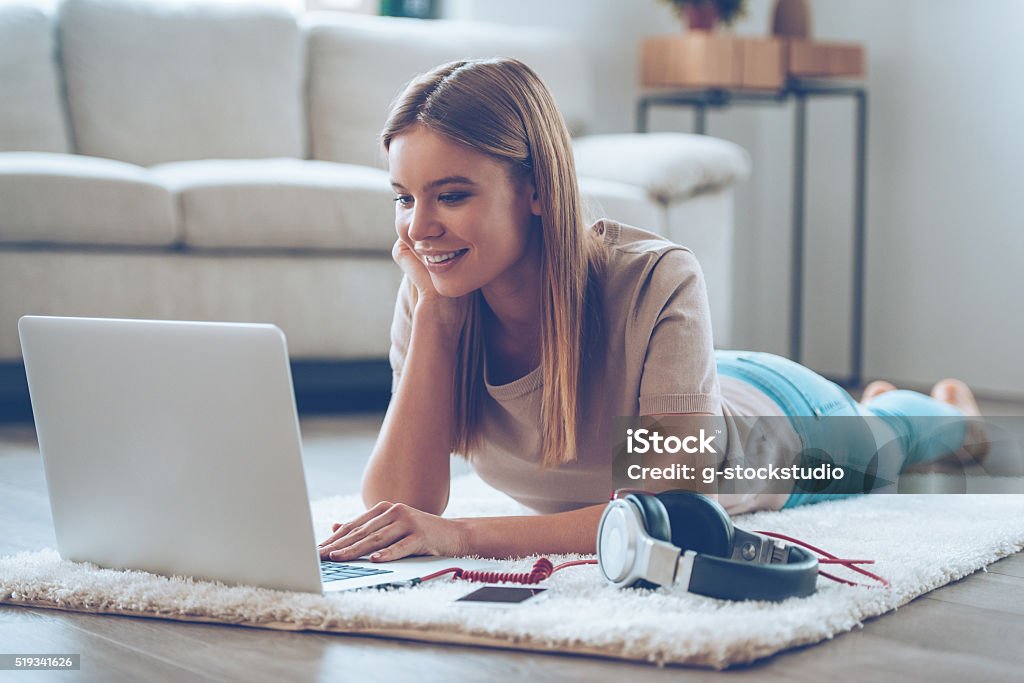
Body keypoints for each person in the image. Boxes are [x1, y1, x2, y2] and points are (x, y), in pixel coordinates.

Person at [317, 58, 985, 564]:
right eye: (404, 198)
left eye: (451, 195)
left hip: (776, 427)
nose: (419, 228)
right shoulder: (434, 291)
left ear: (538, 191)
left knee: (892, 438)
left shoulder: (658, 277)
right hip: (696, 383)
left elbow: (662, 511)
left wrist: (461, 534)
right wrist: (435, 319)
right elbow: (394, 505)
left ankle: (946, 405)